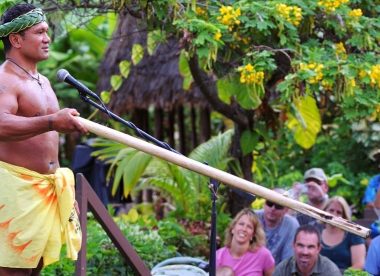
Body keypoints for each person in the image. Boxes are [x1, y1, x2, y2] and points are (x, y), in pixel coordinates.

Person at [0, 3, 87, 275]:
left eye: (47, 32)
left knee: (33, 269)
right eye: (39, 32)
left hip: (45, 189)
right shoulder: (5, 79)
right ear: (16, 39)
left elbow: (47, 139)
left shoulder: (43, 81)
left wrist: (60, 184)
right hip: (15, 191)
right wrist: (52, 121)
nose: (47, 38)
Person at [216, 208, 275, 276]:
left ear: (252, 235)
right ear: (233, 229)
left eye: (249, 227)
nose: (244, 229)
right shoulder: (218, 256)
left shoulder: (264, 255)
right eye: (241, 224)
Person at [274, 224, 341, 276]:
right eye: (300, 245)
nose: (305, 252)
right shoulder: (282, 270)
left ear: (318, 249)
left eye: (310, 247)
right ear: (293, 246)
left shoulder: (330, 271)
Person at [320, 196, 366, 272]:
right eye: (331, 210)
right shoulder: (316, 232)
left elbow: (359, 265)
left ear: (344, 216)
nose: (334, 214)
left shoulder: (354, 234)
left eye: (339, 212)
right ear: (324, 211)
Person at [254, 188, 299, 264]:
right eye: (270, 203)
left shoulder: (292, 225)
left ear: (286, 210)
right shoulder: (253, 217)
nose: (273, 208)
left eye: (278, 206)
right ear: (264, 204)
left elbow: (288, 261)